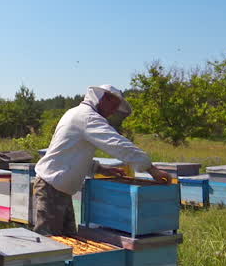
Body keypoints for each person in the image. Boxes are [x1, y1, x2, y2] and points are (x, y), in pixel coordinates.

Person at [32, 85, 174, 236]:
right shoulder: (87, 117)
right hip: (52, 188)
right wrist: (151, 169)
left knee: (67, 244)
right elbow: (117, 144)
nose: (113, 112)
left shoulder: (75, 113)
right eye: (113, 106)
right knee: (48, 246)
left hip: (58, 189)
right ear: (102, 98)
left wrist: (99, 169)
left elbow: (70, 153)